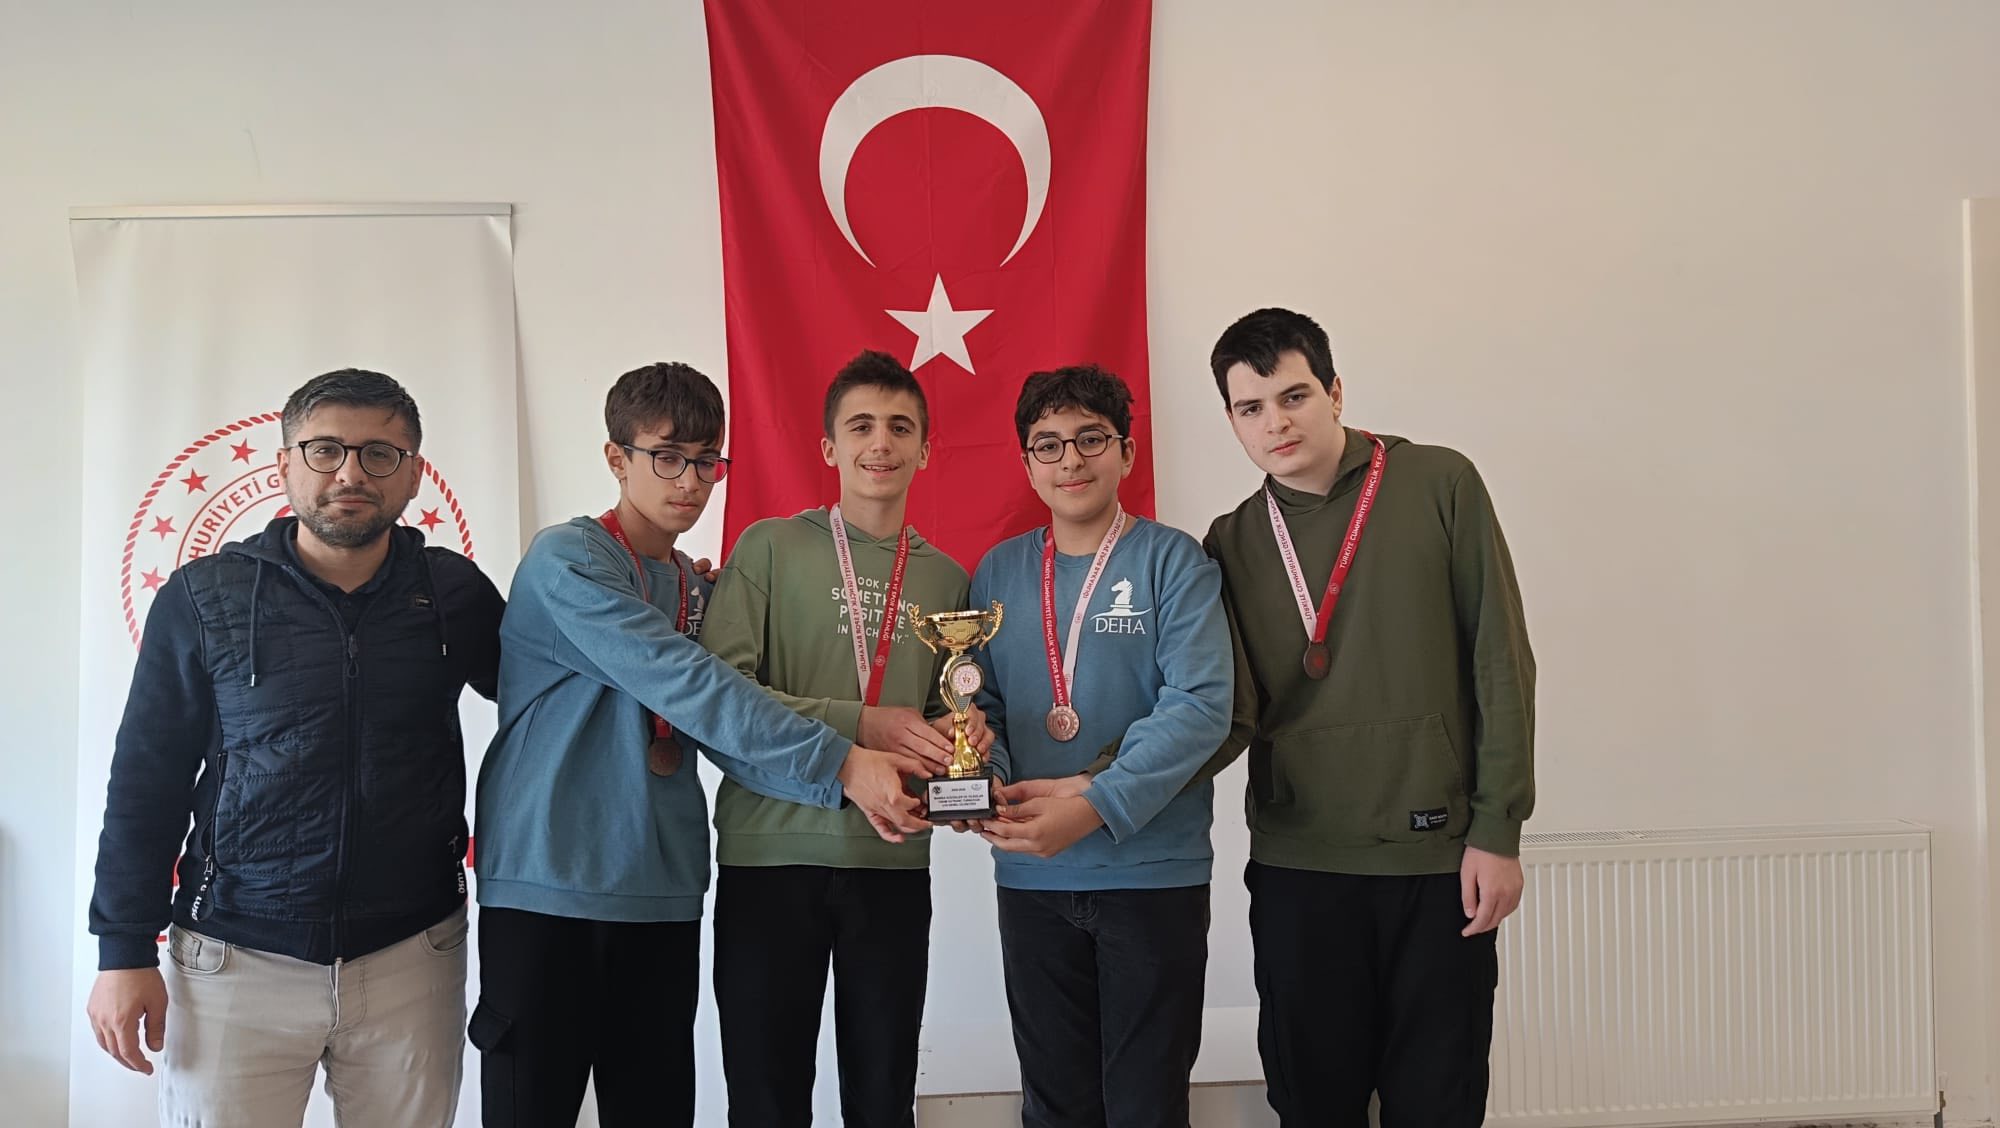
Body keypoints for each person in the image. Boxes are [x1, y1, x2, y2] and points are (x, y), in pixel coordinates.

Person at [468, 360, 928, 1128]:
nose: (690, 481)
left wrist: (871, 757)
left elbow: (737, 724)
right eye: (667, 457)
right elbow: (691, 686)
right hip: (549, 886)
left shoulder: (699, 587)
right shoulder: (569, 560)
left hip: (664, 894)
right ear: (617, 458)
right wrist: (845, 760)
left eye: (707, 460)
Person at [86, 368, 505, 1127]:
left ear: (414, 474)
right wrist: (123, 950)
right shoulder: (204, 596)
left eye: (380, 453)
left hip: (413, 954)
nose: (350, 472)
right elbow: (148, 778)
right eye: (325, 450)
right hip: (234, 960)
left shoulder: (453, 594)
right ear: (284, 465)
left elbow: (551, 698)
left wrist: (667, 601)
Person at [1204, 307, 1536, 1127]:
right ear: (1232, 420)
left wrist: (1498, 829)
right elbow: (1222, 714)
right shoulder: (1229, 541)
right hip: (1300, 865)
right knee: (1313, 1102)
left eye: (1294, 396)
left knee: (1438, 1100)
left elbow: (1499, 661)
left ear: (1335, 392)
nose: (1276, 423)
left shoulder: (1439, 482)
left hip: (1438, 858)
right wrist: (1095, 786)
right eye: (1251, 408)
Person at [702, 349, 975, 1128]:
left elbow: (940, 721)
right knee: (765, 1099)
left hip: (889, 863)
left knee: (883, 1098)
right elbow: (723, 702)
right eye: (861, 426)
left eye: (900, 427)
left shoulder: (949, 582)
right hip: (768, 858)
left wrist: (961, 748)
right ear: (829, 447)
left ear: (926, 449)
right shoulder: (767, 548)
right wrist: (860, 722)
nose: (880, 442)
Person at [967, 364, 1234, 1127]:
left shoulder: (1174, 562)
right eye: (1048, 444)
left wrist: (1095, 802)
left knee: (1147, 1104)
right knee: (1055, 1105)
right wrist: (986, 781)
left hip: (1152, 874)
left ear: (1127, 452)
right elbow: (981, 706)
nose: (1071, 460)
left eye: (1091, 438)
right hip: (1032, 880)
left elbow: (1202, 705)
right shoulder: (997, 572)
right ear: (1027, 463)